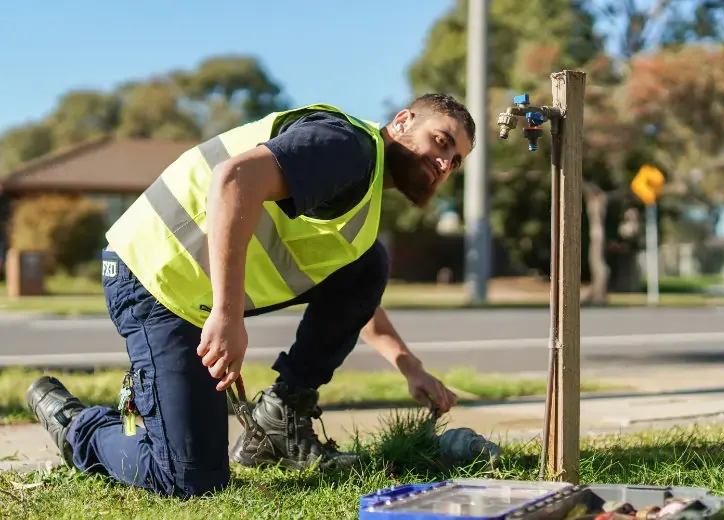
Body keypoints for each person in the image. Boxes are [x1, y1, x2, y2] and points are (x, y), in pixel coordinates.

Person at [26, 93, 476, 498]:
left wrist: (409, 365)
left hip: (195, 295)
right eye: (441, 142)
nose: (444, 164)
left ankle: (281, 415)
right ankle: (77, 425)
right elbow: (234, 179)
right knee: (190, 480)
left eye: (455, 161)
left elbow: (352, 293)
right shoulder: (349, 146)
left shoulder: (363, 192)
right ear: (402, 121)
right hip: (153, 280)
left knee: (367, 263)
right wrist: (227, 314)